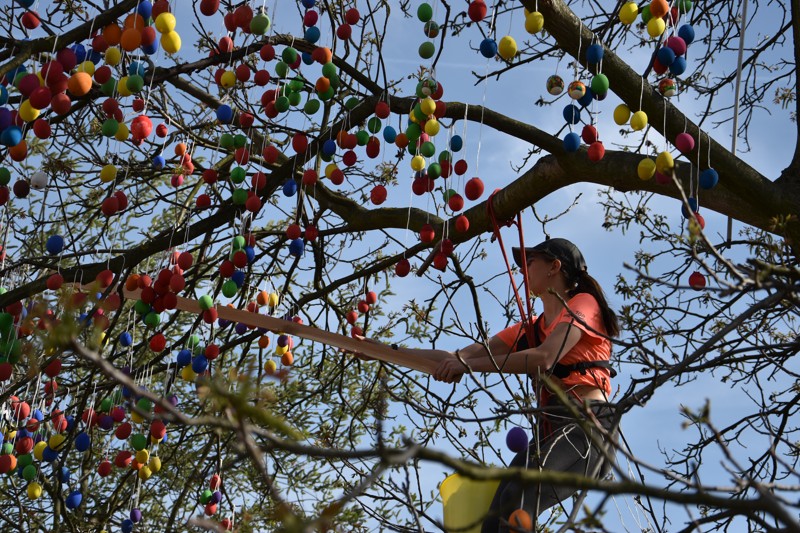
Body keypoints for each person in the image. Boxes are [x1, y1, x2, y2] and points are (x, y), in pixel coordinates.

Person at [359, 238, 620, 532]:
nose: (522, 270)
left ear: (555, 267)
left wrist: (465, 366)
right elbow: (459, 356)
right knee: (496, 515)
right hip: (554, 431)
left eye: (530, 262)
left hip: (588, 428)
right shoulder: (530, 330)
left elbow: (545, 358)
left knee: (519, 497)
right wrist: (382, 350)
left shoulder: (583, 303)